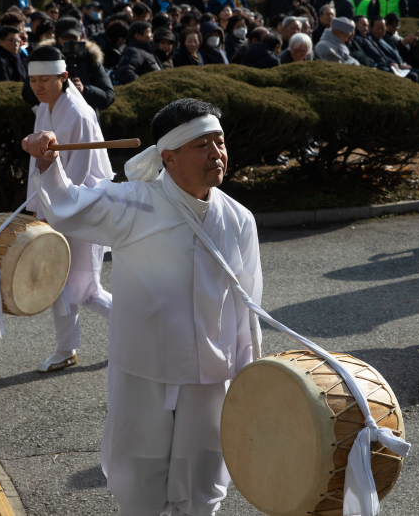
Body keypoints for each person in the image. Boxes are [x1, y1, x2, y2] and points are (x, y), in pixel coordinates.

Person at [21, 97, 262, 516]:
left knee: (204, 475)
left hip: (210, 369)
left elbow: (247, 304)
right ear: (169, 157)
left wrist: (247, 377)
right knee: (137, 473)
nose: (216, 153)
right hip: (143, 366)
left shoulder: (239, 219)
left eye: (219, 142)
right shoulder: (135, 202)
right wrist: (46, 163)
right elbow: (70, 206)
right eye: (202, 145)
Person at [19, 46, 115, 371]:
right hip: (60, 206)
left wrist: (49, 211)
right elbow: (39, 165)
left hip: (84, 206)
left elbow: (80, 173)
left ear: (63, 76)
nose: (38, 86)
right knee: (57, 282)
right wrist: (38, 209)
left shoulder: (78, 113)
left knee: (85, 289)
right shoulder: (44, 108)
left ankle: (143, 333)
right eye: (33, 80)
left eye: (45, 79)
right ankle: (66, 350)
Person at [366, 16, 419, 98]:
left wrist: (410, 45)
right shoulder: (372, 41)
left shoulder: (386, 38)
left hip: (402, 64)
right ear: (371, 28)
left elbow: (396, 53)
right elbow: (383, 57)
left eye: (383, 28)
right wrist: (399, 61)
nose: (381, 31)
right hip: (394, 68)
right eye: (378, 28)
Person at [51, 18, 116, 111]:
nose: (70, 41)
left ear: (81, 37)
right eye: (65, 37)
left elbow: (109, 96)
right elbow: (29, 93)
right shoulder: (46, 58)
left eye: (74, 37)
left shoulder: (90, 59)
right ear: (56, 38)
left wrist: (84, 90)